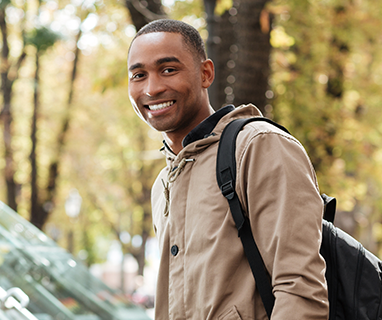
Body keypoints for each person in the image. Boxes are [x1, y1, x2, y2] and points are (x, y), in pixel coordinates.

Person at [127, 19, 328, 319]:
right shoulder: (164, 183)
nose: (153, 88)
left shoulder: (258, 147)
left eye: (168, 70)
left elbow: (300, 288)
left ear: (205, 73)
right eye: (139, 75)